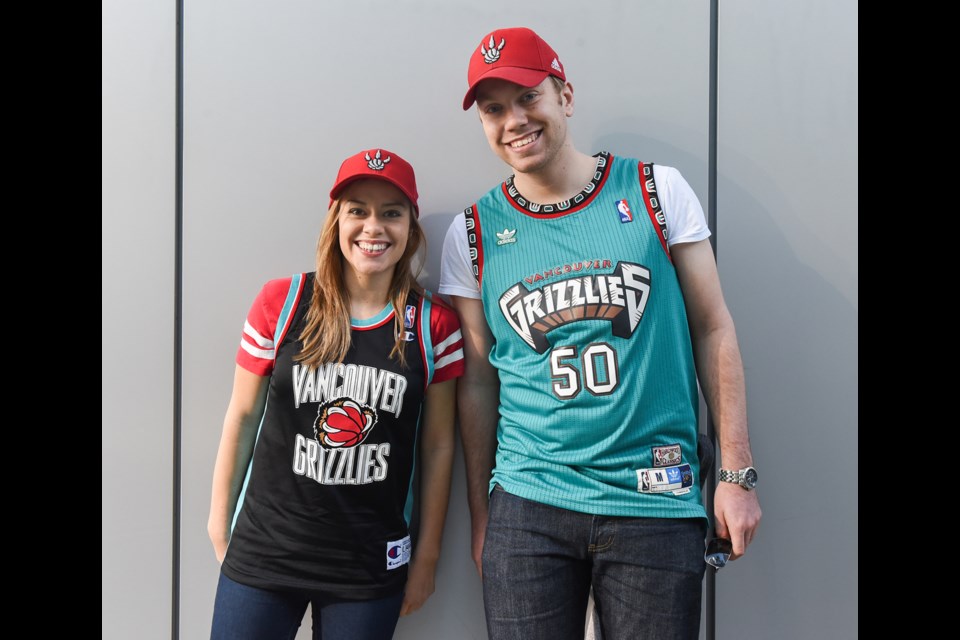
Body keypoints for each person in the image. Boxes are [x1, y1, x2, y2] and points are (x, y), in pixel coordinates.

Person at [439, 27, 762, 639]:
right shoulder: (474, 232)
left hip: (655, 498)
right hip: (529, 504)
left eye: (528, 97)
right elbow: (478, 384)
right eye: (494, 110)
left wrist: (736, 474)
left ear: (565, 94)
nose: (514, 121)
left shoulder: (654, 191)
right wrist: (486, 516)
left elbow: (713, 329)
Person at [208, 148, 464, 640]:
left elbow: (437, 448)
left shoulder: (434, 326)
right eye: (358, 210)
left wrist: (426, 556)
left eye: (391, 212)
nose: (374, 227)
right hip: (266, 551)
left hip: (367, 565)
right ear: (336, 221)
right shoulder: (282, 303)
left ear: (411, 227)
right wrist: (219, 524)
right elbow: (241, 417)